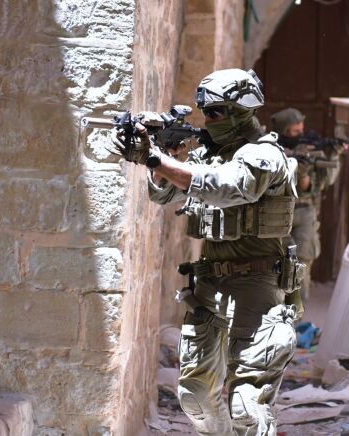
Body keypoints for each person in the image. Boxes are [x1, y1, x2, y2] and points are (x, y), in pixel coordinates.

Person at [113, 69, 301, 435]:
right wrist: (163, 160)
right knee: (195, 395)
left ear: (240, 111)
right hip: (210, 285)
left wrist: (156, 160)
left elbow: (228, 188)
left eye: (215, 112)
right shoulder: (210, 155)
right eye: (205, 113)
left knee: (247, 406)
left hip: (257, 287)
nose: (208, 121)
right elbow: (166, 194)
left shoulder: (264, 155)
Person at [270, 108, 342, 302]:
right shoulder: (270, 149)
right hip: (276, 212)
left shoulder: (308, 149)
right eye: (295, 131)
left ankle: (296, 315)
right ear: (284, 131)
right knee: (273, 264)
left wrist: (331, 156)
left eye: (301, 129)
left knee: (301, 264)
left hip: (304, 211)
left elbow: (320, 182)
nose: (300, 134)